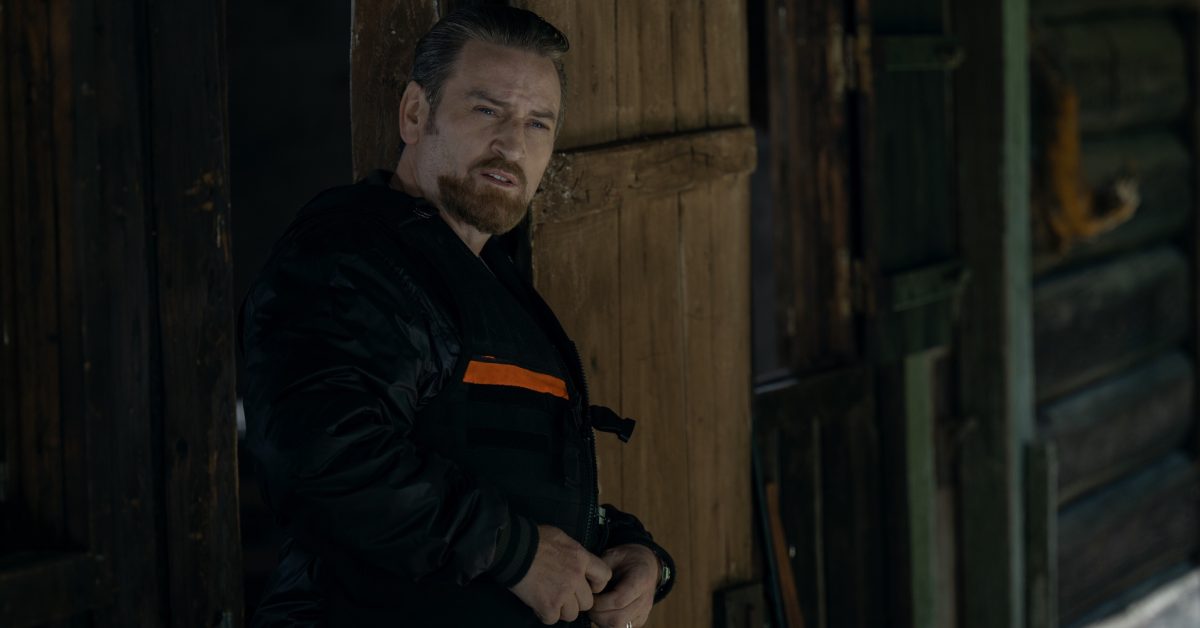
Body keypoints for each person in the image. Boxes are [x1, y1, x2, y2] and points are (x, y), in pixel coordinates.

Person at [240, 7, 674, 627]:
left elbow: (496, 466)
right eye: (487, 111)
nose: (513, 145)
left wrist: (632, 552)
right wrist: (518, 554)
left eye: (538, 123)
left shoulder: (484, 276)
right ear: (416, 115)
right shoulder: (353, 259)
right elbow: (325, 458)